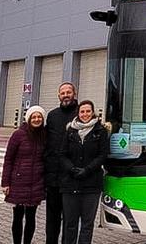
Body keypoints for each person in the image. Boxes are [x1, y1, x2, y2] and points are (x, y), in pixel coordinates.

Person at [60, 99, 109, 244]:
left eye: (88, 111)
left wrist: (87, 170)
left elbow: (103, 155)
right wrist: (72, 169)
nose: (85, 114)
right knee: (70, 224)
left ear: (93, 112)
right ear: (78, 113)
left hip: (91, 184)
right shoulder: (70, 130)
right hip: (70, 183)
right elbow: (62, 154)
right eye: (82, 111)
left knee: (87, 224)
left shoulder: (100, 131)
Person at [2, 105, 47, 244]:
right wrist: (5, 182)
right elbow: (8, 158)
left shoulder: (45, 135)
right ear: (28, 119)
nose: (36, 119)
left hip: (37, 181)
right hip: (19, 181)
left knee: (31, 217)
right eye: (34, 117)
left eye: (39, 116)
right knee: (18, 216)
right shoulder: (18, 135)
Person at [44, 82, 79, 244]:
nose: (66, 95)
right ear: (59, 96)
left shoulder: (82, 114)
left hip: (72, 178)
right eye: (63, 93)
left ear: (74, 94)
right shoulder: (52, 116)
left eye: (69, 92)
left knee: (70, 220)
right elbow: (46, 143)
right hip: (53, 179)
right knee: (52, 219)